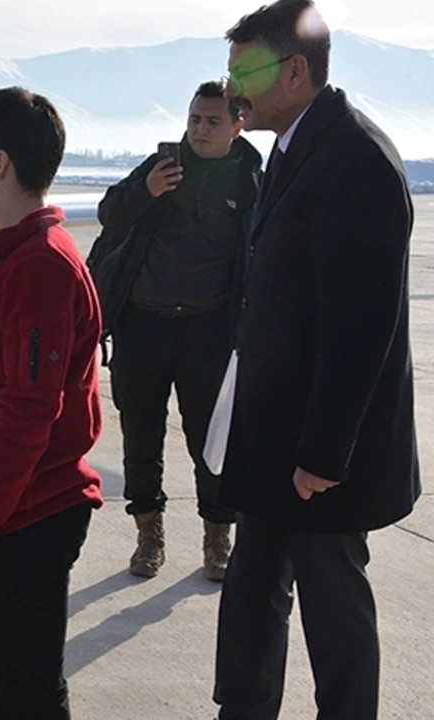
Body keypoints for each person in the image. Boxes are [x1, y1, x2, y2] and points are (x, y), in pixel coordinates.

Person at [213, 2, 420, 718]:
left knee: (332, 608)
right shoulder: (298, 145)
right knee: (251, 591)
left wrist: (325, 454)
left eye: (246, 70)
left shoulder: (356, 158)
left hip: (320, 458)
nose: (233, 86)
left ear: (294, 71)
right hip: (276, 438)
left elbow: (361, 329)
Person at [0, 87, 103, 720]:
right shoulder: (11, 255)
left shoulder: (40, 266)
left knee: (26, 690)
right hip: (0, 505)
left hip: (30, 512)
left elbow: (29, 413)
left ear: (0, 165)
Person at [87, 81, 262, 581]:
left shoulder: (250, 179)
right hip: (143, 325)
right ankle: (149, 535)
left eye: (212, 121)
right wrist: (147, 192)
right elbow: (109, 211)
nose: (201, 130)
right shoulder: (161, 165)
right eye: (194, 120)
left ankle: (218, 539)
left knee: (213, 441)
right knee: (141, 434)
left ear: (236, 125)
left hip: (210, 331)